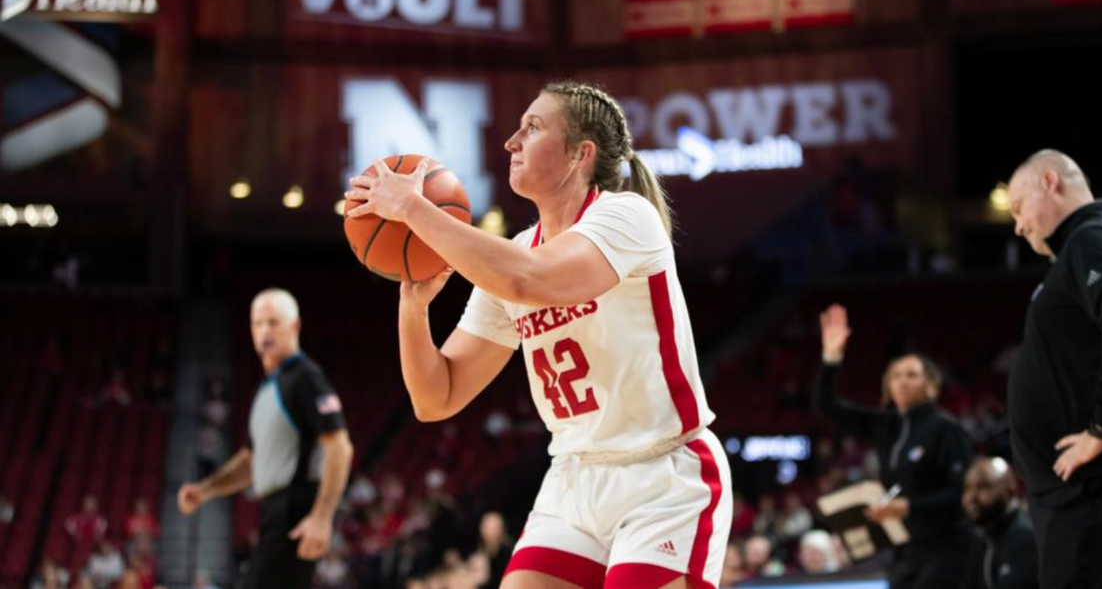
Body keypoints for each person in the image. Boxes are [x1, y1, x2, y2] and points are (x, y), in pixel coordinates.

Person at [345, 81, 732, 589]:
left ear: (580, 154)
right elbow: (435, 397)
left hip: (662, 475)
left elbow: (529, 277)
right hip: (573, 478)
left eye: (532, 127)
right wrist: (412, 309)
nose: (511, 141)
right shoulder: (516, 252)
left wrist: (416, 209)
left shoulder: (625, 218)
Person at [1006, 150, 1102, 589]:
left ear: (1050, 182)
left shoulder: (1093, 239)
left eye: (1018, 207)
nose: (1018, 225)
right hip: (1083, 492)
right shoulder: (1083, 247)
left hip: (1096, 488)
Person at [176, 288, 354, 589]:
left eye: (273, 322)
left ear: (294, 326)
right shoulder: (266, 388)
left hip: (296, 507)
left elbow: (340, 446)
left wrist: (322, 516)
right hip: (273, 508)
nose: (264, 331)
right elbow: (250, 461)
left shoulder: (304, 377)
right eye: (257, 323)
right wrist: (205, 490)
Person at [815, 304, 974, 589]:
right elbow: (826, 405)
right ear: (887, 385)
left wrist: (909, 506)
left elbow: (961, 492)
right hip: (907, 549)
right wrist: (831, 357)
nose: (903, 381)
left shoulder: (947, 430)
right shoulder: (885, 426)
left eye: (912, 375)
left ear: (931, 385)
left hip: (950, 546)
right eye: (896, 376)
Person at [959, 456, 1038, 589]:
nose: (972, 497)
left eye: (983, 487)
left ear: (1010, 488)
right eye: (968, 488)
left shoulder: (1024, 536)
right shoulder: (983, 537)